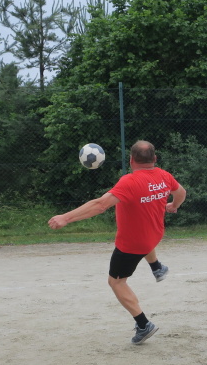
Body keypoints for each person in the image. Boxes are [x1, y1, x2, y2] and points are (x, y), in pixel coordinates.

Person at [48, 140, 187, 344]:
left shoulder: (129, 182)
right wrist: (174, 205)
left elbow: (100, 205)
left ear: (131, 160)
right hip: (155, 234)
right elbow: (181, 193)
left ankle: (143, 324)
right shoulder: (164, 176)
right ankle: (157, 267)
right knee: (146, 240)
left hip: (132, 245)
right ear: (155, 159)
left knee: (116, 282)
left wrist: (65, 218)